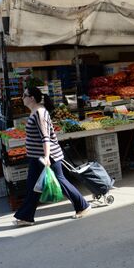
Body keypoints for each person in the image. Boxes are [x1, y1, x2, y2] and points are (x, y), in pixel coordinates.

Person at [14, 87, 90, 226]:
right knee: (32, 186)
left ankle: (83, 206)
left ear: (31, 98)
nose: (22, 98)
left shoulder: (40, 113)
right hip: (36, 157)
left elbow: (45, 137)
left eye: (24, 95)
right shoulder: (35, 112)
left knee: (61, 181)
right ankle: (26, 216)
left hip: (47, 156)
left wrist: (47, 157)